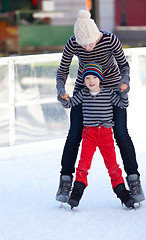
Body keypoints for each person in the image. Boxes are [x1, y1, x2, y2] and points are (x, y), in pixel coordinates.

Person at [56, 9, 145, 204]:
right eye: (83, 44)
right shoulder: (73, 43)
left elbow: (124, 67)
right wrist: (60, 90)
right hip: (84, 90)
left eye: (91, 42)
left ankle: (134, 179)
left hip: (113, 89)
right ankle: (65, 181)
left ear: (97, 35)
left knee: (121, 133)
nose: (87, 48)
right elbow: (62, 71)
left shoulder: (110, 39)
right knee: (74, 134)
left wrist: (125, 83)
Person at [58, 62, 135, 209]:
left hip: (106, 134)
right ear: (83, 81)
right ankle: (76, 193)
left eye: (94, 77)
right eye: (87, 78)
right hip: (89, 135)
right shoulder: (83, 94)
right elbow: (71, 104)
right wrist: (64, 98)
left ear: (100, 78)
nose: (91, 81)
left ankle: (122, 193)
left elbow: (122, 104)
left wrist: (124, 93)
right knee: (83, 165)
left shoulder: (109, 93)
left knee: (113, 166)